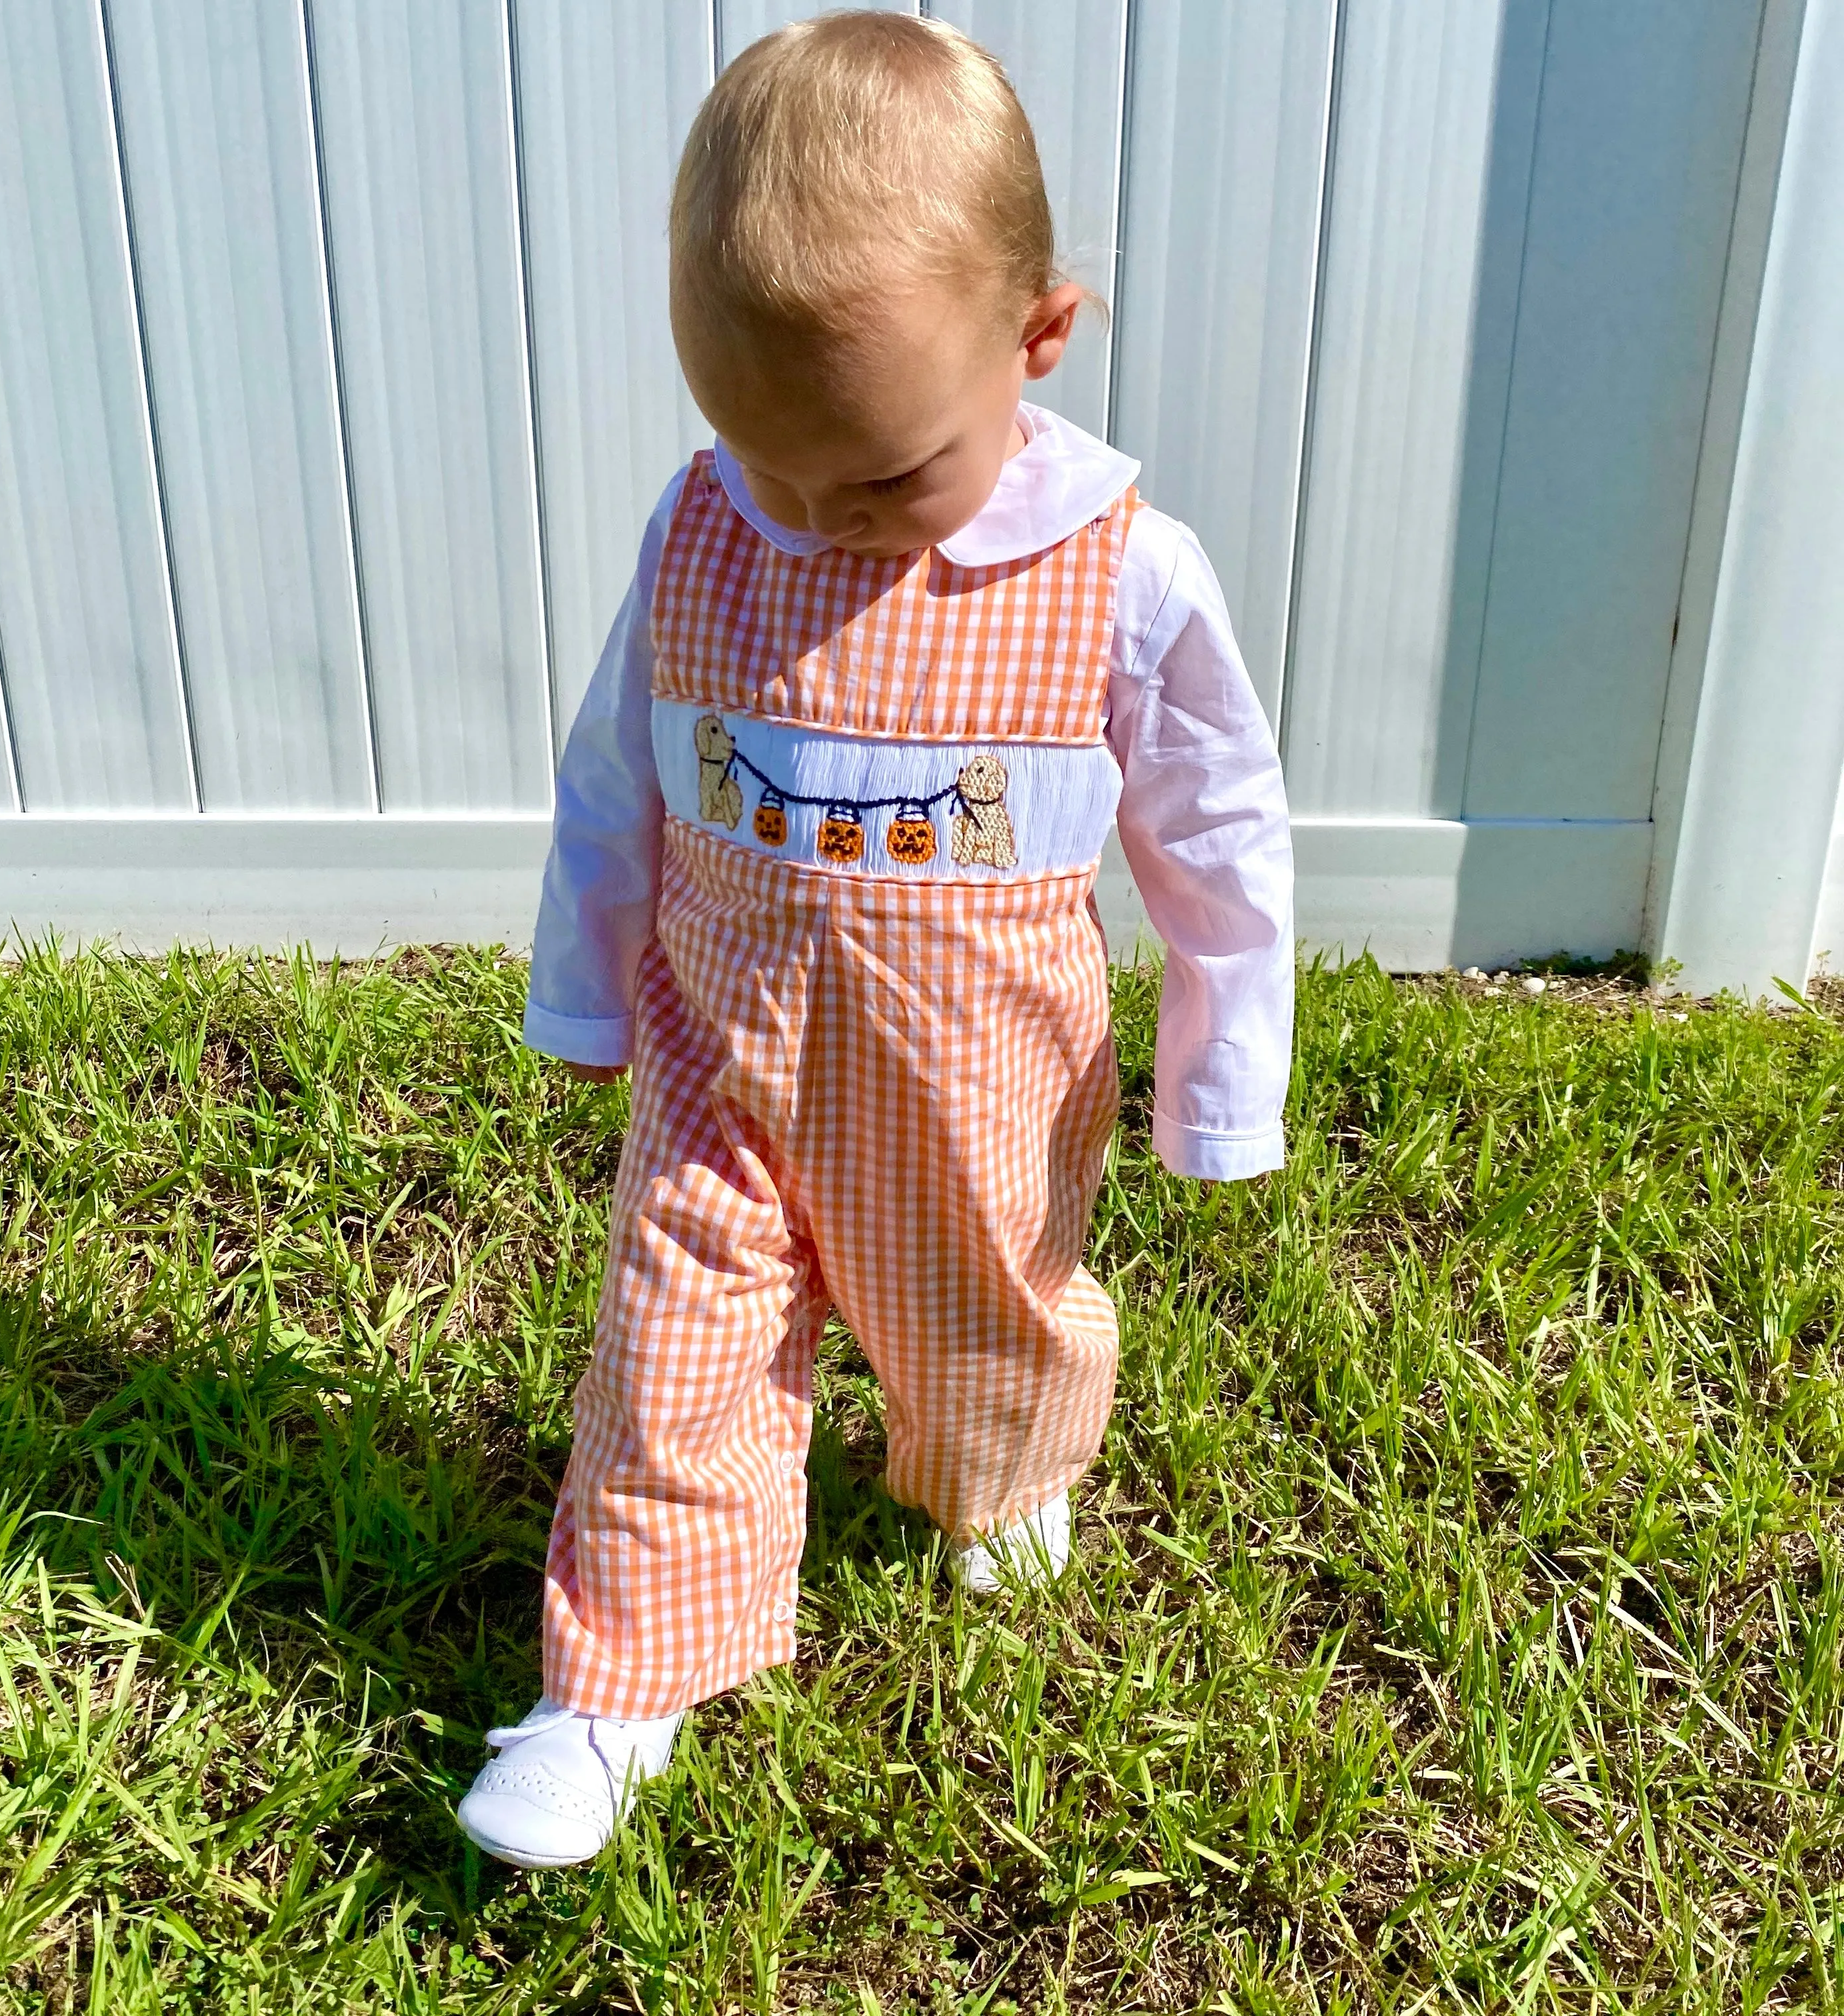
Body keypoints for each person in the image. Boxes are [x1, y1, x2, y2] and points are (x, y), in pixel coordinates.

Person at [457, 11, 1293, 1869]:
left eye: (887, 476)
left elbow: (1221, 837)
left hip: (973, 1077)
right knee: (670, 1351)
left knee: (980, 1323)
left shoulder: (1121, 575)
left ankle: (995, 1485)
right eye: (774, 466)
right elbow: (624, 773)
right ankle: (615, 1689)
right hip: (721, 1059)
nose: (824, 524)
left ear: (1038, 336)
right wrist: (588, 988)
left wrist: (1221, 1081)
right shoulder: (705, 536)